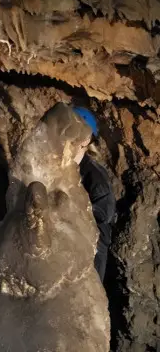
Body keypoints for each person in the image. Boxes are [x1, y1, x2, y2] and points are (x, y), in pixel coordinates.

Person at [72, 106, 116, 283]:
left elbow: (105, 214)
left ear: (86, 139)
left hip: (93, 248)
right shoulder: (62, 168)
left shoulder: (95, 176)